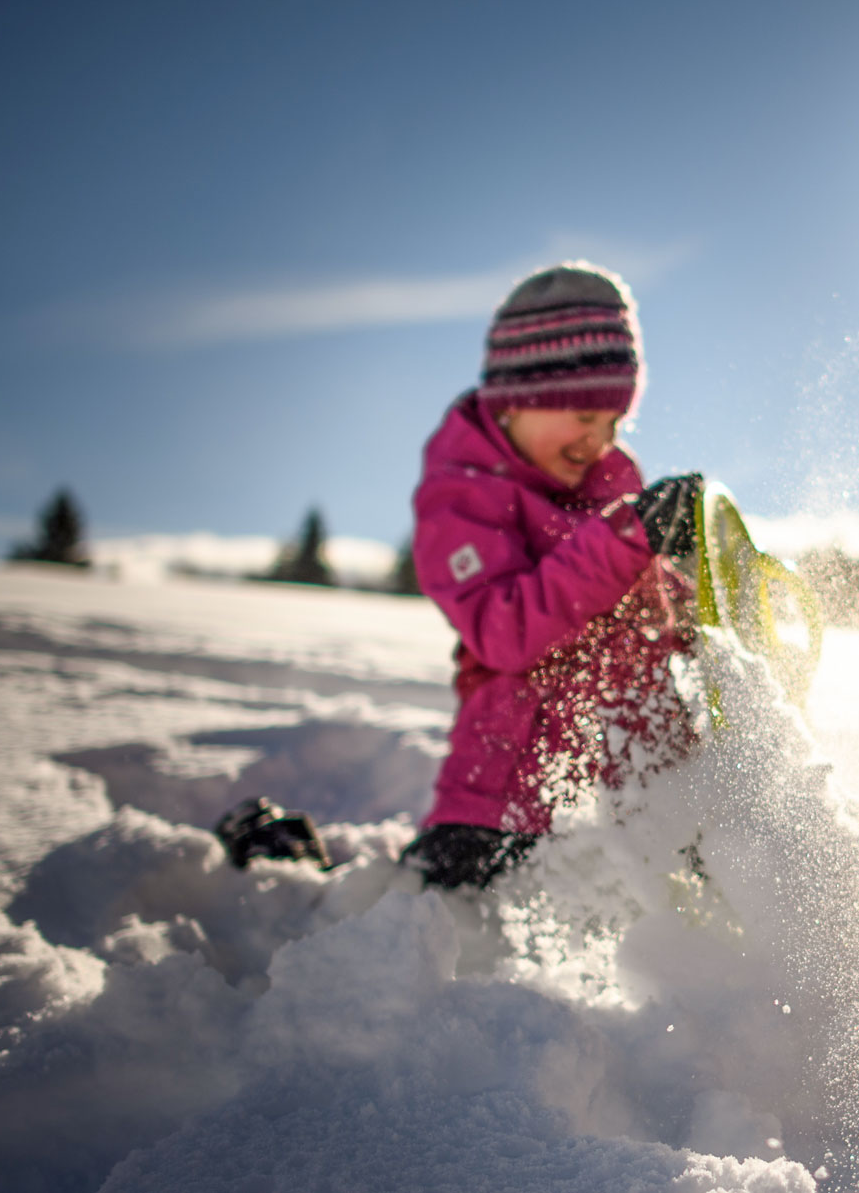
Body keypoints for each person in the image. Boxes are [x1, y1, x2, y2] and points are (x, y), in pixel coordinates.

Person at [217, 264, 705, 890]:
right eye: (585, 413)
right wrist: (626, 540)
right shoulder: (466, 498)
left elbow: (644, 622)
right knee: (416, 924)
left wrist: (695, 591)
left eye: (615, 422)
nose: (599, 440)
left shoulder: (610, 493)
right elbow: (504, 630)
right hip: (507, 807)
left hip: (640, 801)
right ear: (520, 397)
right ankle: (290, 877)